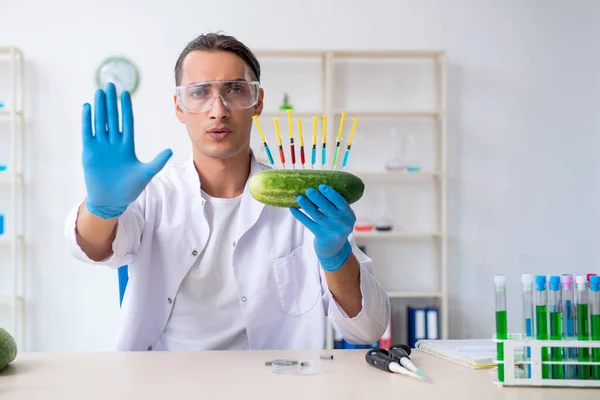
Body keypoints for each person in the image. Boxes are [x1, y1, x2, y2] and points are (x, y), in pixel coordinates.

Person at [64, 32, 390, 351]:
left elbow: (367, 330)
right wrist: (101, 208)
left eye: (234, 89)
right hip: (167, 382)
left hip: (277, 383)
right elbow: (92, 248)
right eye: (199, 92)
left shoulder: (306, 201)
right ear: (179, 107)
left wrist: (336, 258)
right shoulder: (153, 195)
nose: (217, 109)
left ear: (257, 101)